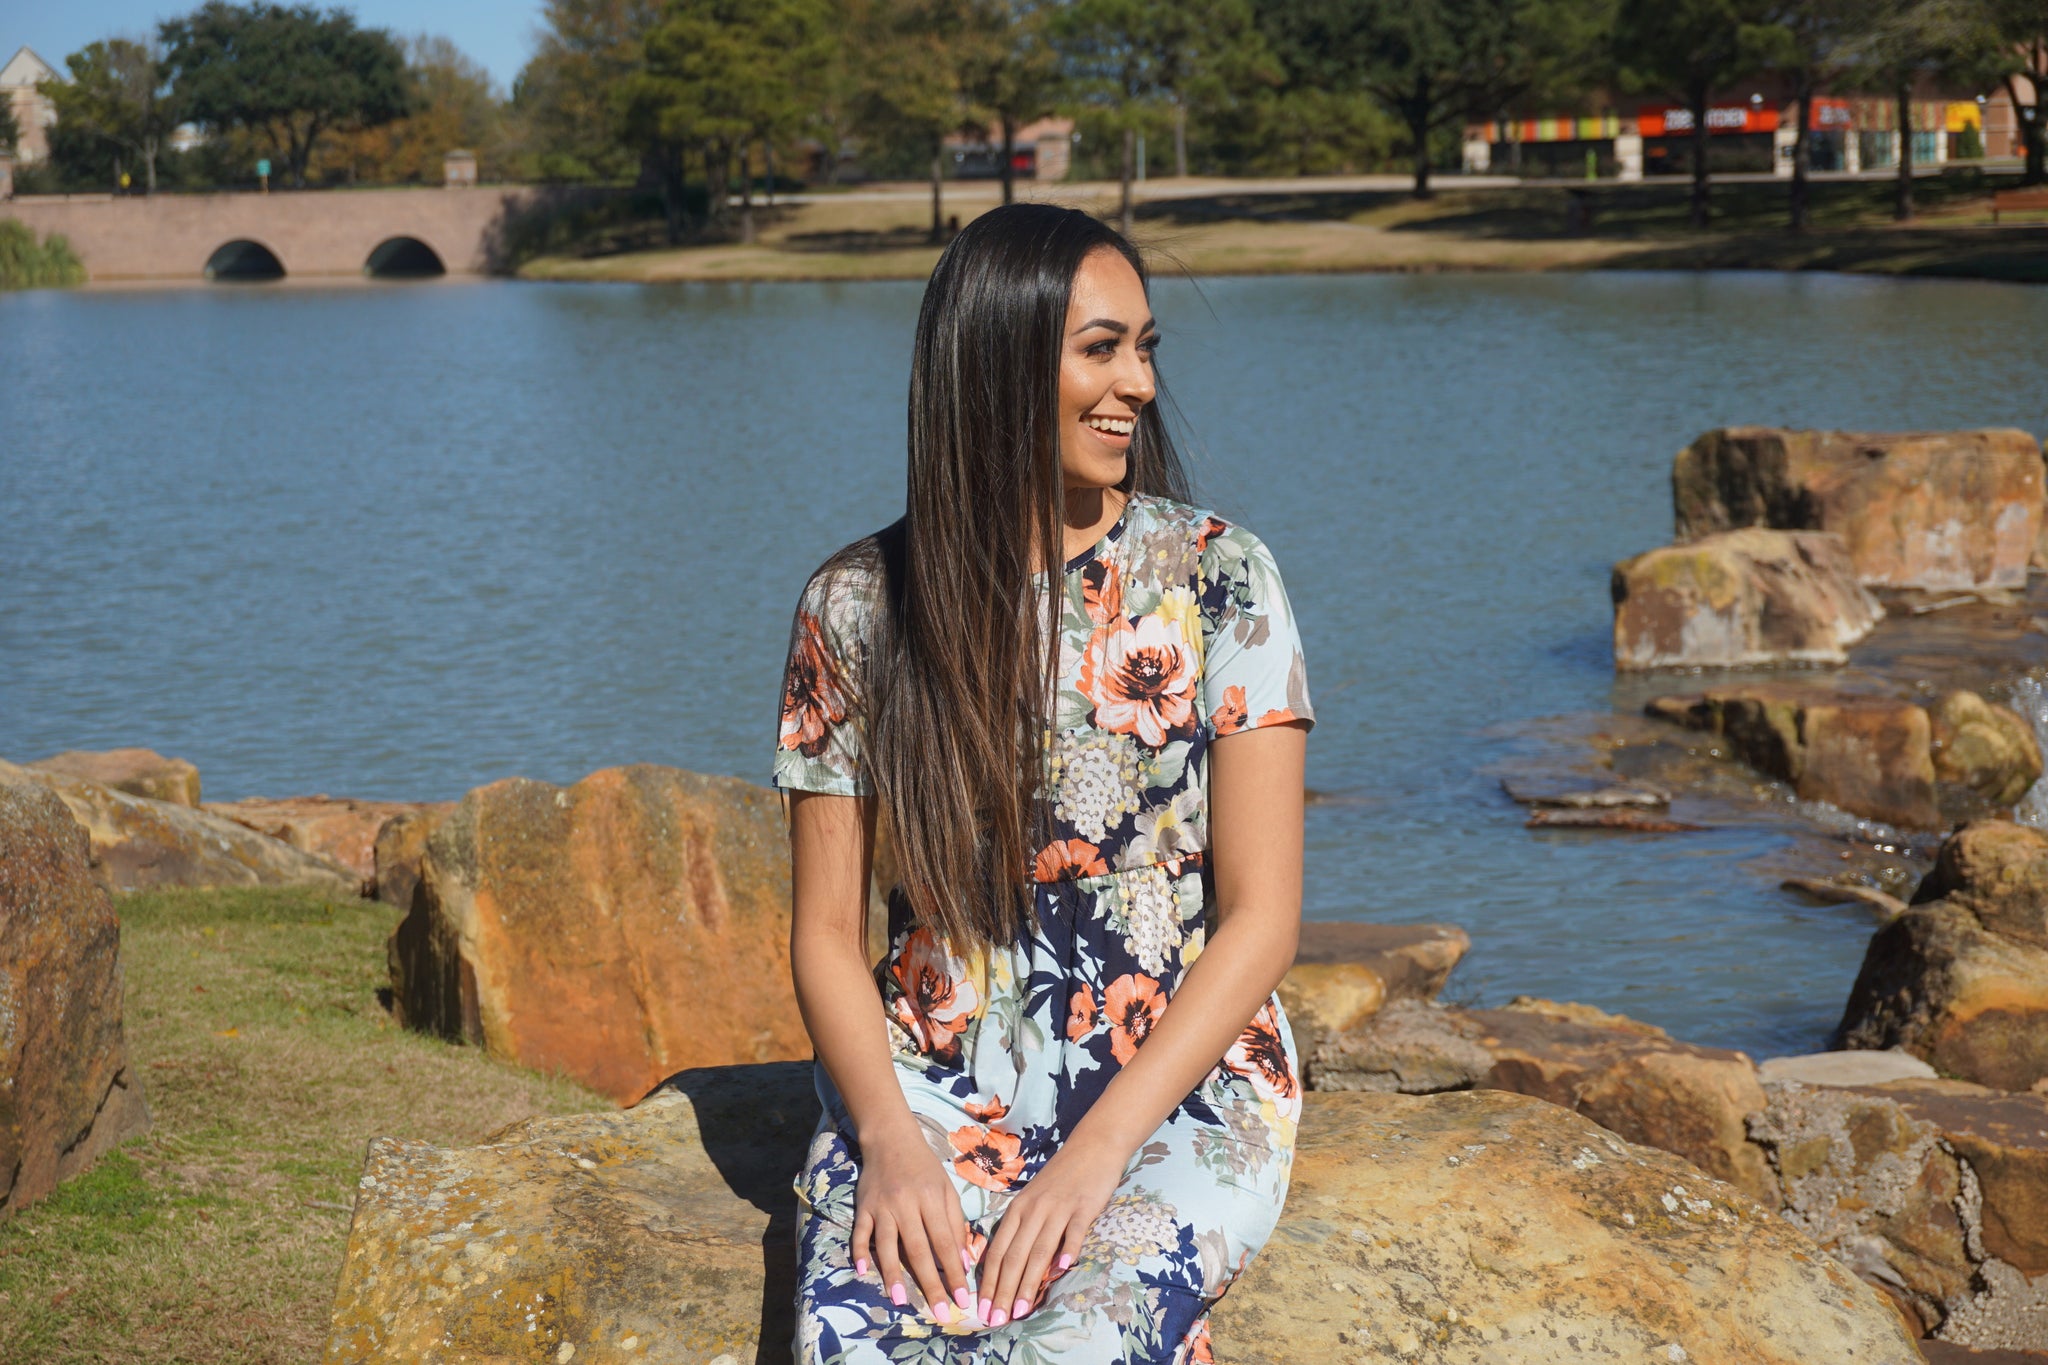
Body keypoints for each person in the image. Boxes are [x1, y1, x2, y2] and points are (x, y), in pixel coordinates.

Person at [773, 202, 1313, 1364]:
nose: (1140, 386)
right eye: (1099, 349)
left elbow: (1262, 919)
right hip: (925, 1082)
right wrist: (884, 1136)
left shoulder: (1220, 579)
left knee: (1074, 1344)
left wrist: (1096, 1156)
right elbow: (824, 932)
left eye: (1145, 348)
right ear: (997, 360)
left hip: (1173, 1083)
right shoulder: (855, 607)